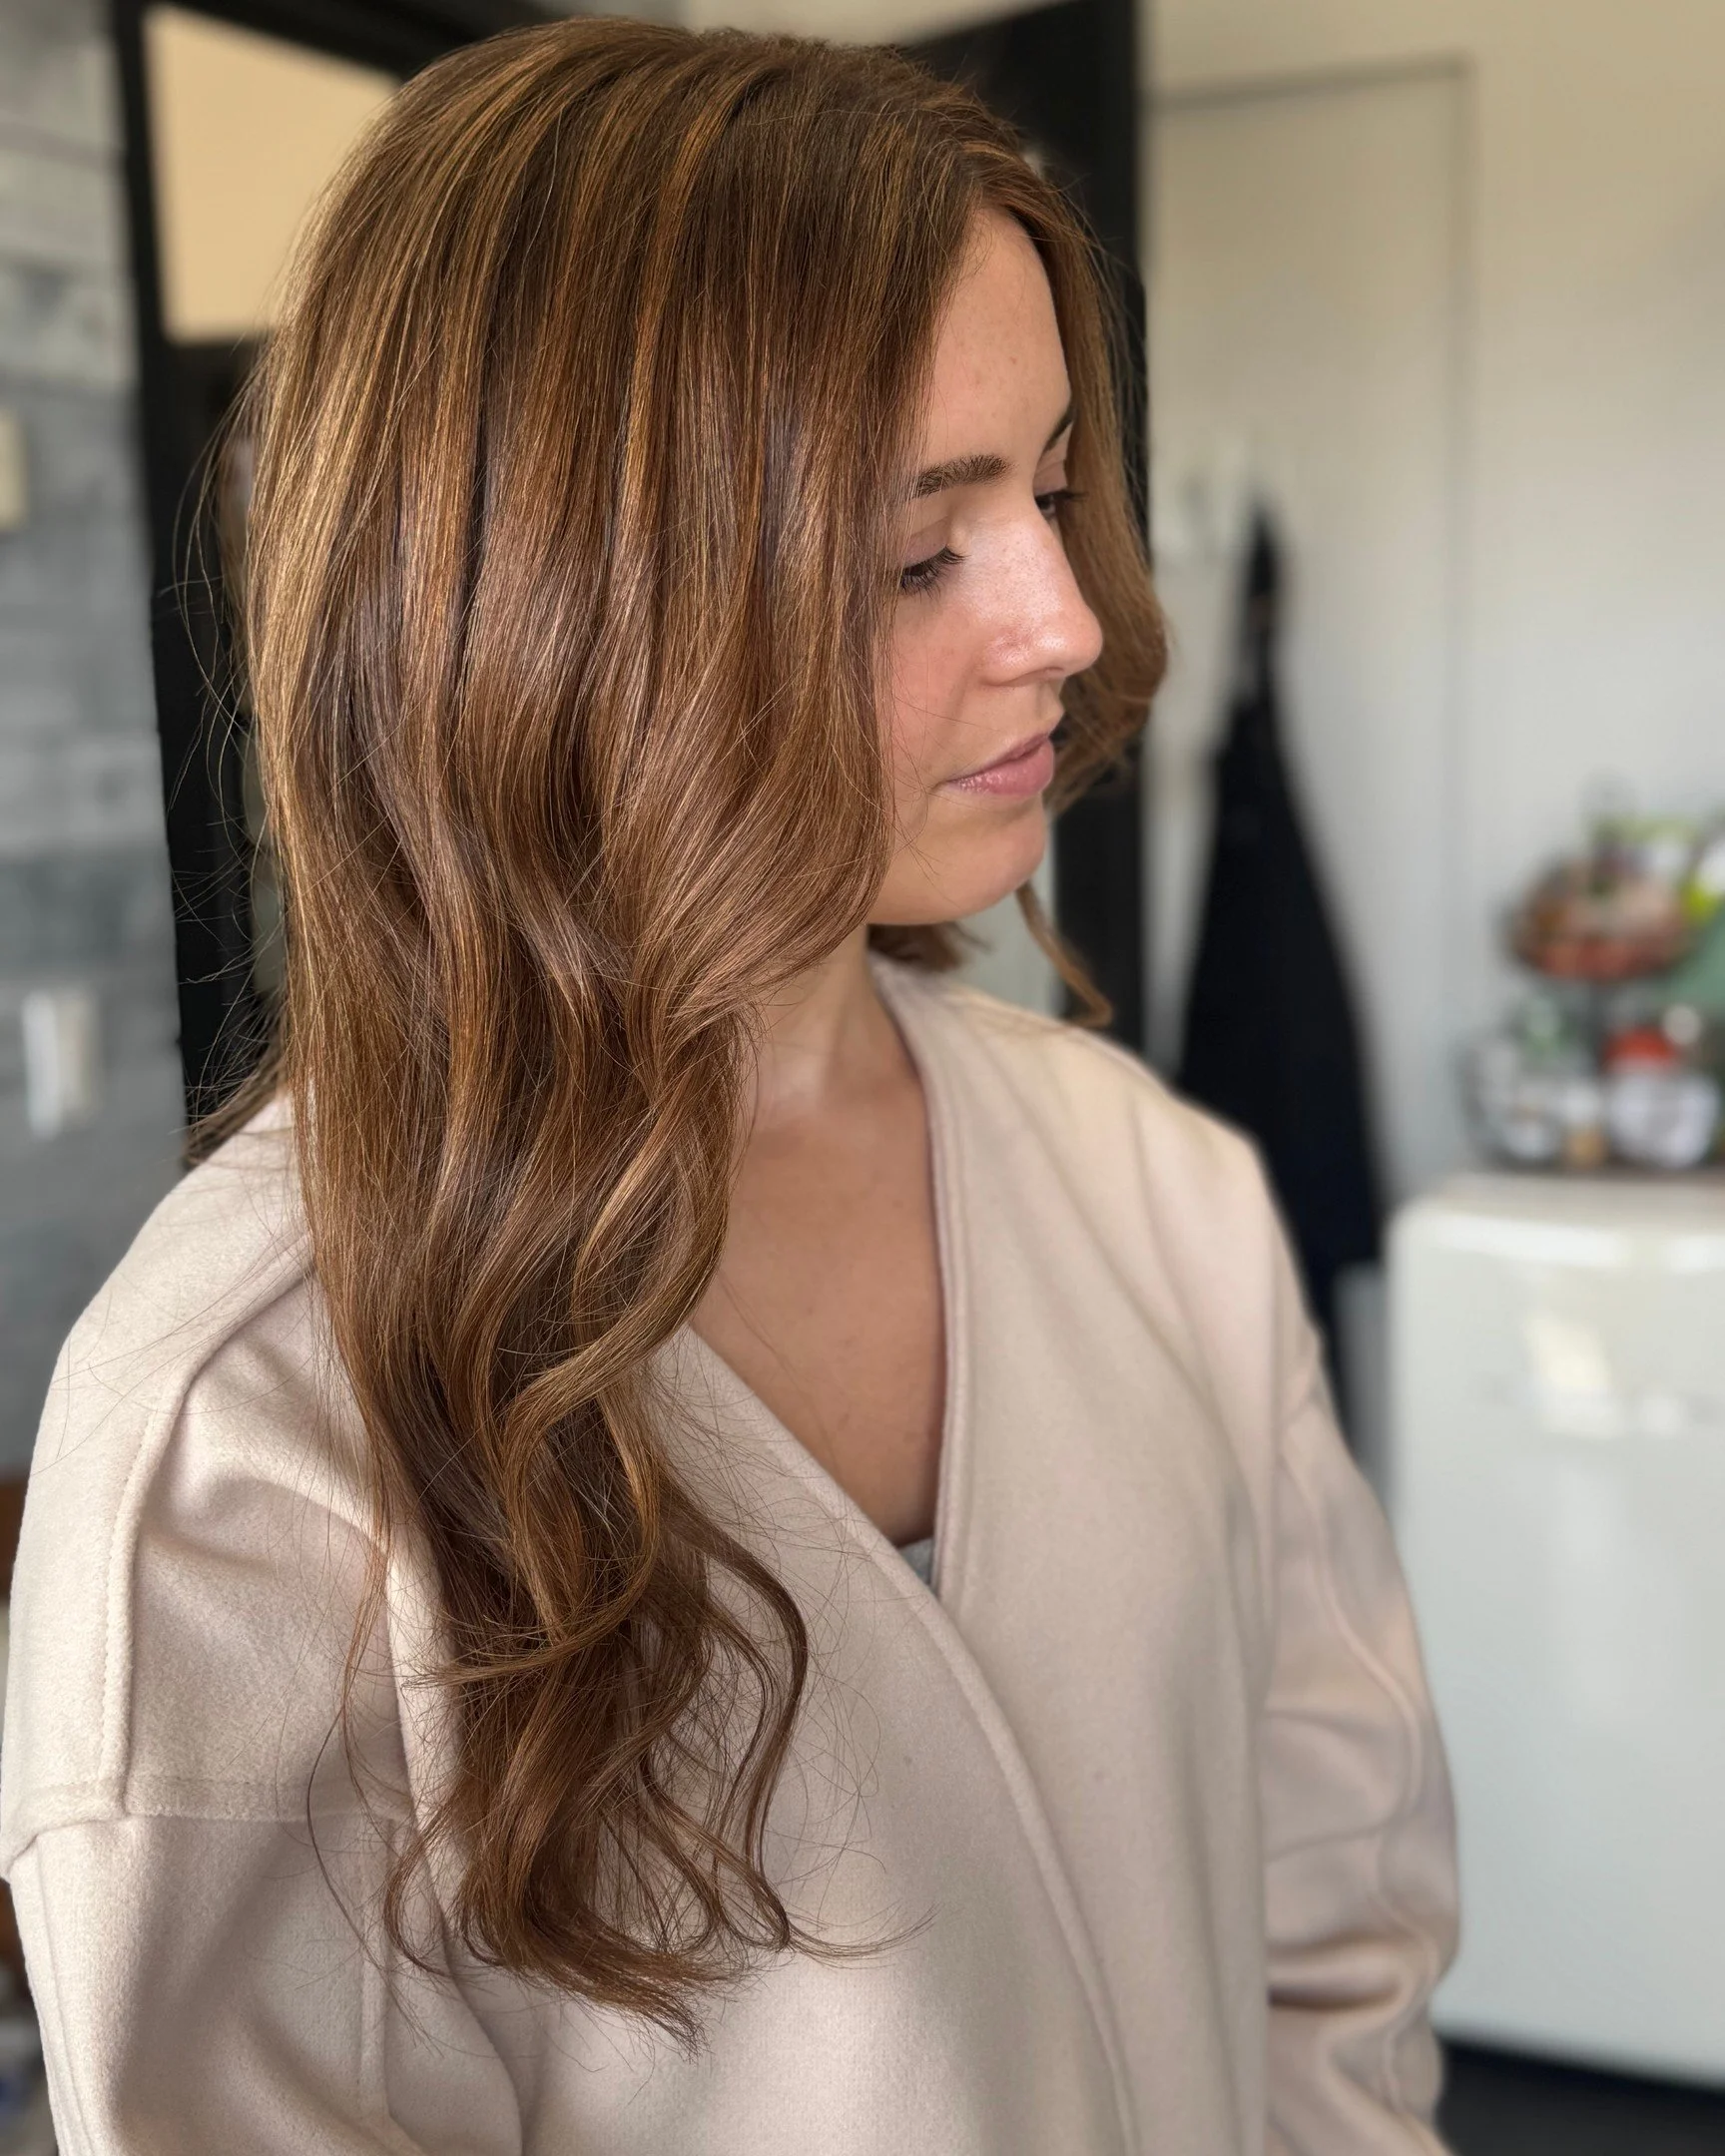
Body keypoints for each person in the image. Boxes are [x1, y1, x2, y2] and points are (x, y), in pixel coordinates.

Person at [0, 20, 1457, 2153]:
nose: (1063, 619)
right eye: (917, 553)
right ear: (560, 615)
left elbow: (1334, 1936)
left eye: (1054, 488)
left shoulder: (1157, 1191)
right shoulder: (246, 1448)